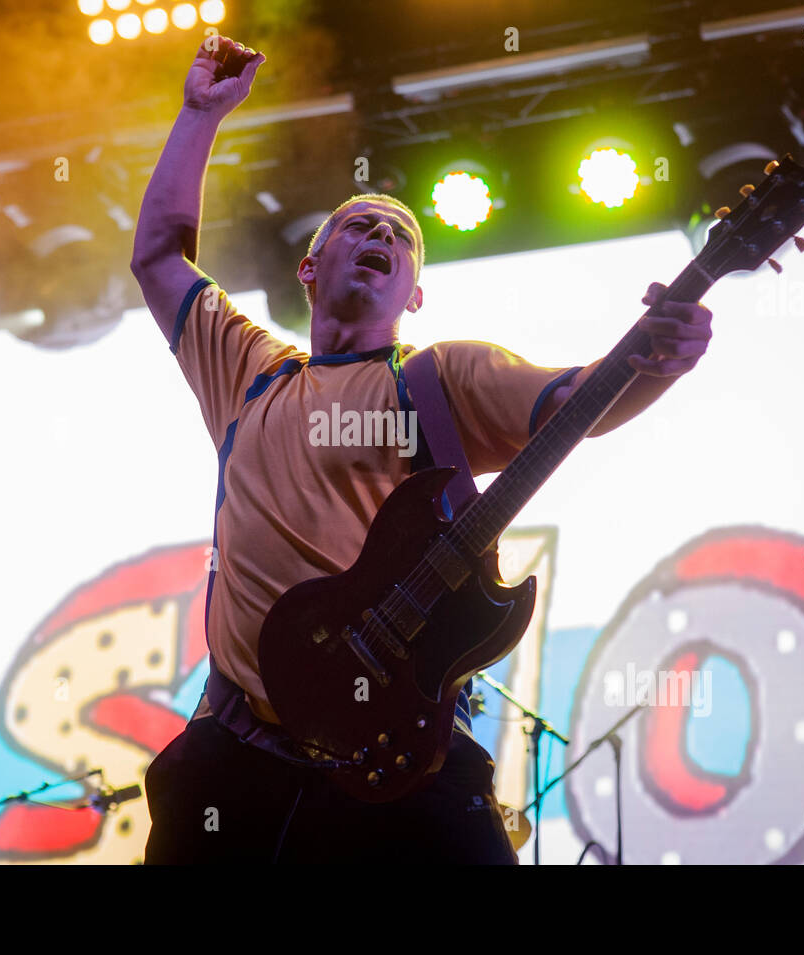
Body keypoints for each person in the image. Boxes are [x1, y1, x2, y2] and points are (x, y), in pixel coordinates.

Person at [130, 36, 713, 864]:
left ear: (416, 291)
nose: (381, 232)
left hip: (403, 755)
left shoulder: (442, 377)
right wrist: (199, 116)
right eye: (358, 224)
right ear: (311, 264)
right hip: (239, 762)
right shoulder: (248, 371)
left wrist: (661, 358)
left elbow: (574, 398)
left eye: (400, 236)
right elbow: (158, 256)